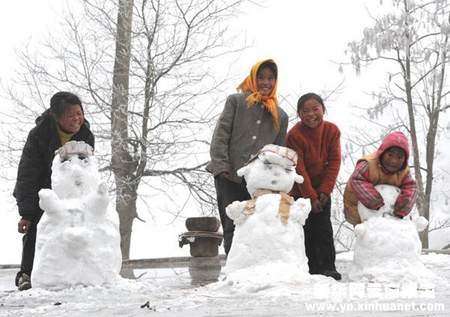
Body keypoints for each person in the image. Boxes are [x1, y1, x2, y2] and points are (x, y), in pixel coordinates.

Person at [13, 91, 95, 291]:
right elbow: (27, 173)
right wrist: (26, 212)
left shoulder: (86, 135)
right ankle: (27, 273)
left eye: (79, 112)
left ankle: (82, 273)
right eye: (71, 114)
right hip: (43, 189)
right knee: (38, 226)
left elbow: (87, 170)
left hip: (72, 193)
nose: (77, 118)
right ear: (56, 117)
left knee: (81, 227)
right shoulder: (39, 135)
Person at [206, 59, 289, 254]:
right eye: (261, 77)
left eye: (270, 78)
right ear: (253, 79)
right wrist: (221, 167)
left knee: (257, 224)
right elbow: (221, 135)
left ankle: (254, 266)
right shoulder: (236, 101)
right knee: (232, 223)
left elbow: (278, 151)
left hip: (259, 182)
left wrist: (274, 182)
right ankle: (234, 268)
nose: (265, 82)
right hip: (229, 175)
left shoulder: (281, 116)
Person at [286, 93, 342, 280]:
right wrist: (310, 197)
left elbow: (334, 162)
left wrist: (325, 191)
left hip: (321, 189)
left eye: (315, 109)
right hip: (300, 190)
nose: (311, 114)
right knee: (307, 229)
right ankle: (310, 269)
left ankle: (328, 267)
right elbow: (299, 168)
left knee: (324, 227)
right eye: (305, 110)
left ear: (323, 110)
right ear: (299, 114)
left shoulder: (332, 131)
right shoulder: (294, 135)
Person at [343, 131, 417, 226]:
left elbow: (411, 187)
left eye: (399, 157)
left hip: (390, 217)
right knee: (368, 235)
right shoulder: (368, 164)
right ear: (383, 152)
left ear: (404, 160)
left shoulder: (404, 172)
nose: (394, 161)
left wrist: (402, 208)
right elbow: (357, 179)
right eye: (390, 155)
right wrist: (374, 200)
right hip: (359, 209)